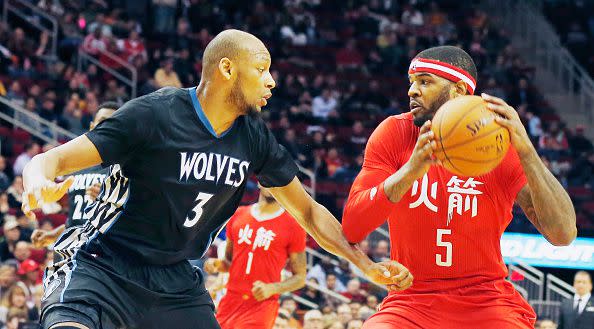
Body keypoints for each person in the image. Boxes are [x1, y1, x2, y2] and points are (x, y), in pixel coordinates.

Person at [21, 29, 411, 329]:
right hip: (102, 265)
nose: (272, 81)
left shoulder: (254, 136)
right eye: (261, 69)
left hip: (176, 279)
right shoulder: (154, 115)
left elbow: (308, 212)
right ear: (227, 69)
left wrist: (364, 264)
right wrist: (38, 179)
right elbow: (52, 160)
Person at [342, 46, 577, 328]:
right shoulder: (394, 133)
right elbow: (353, 227)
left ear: (459, 90)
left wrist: (526, 150)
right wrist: (410, 170)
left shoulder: (498, 142)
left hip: (486, 300)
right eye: (412, 82)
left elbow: (563, 234)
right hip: (411, 300)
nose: (412, 91)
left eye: (425, 81)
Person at [205, 186, 307, 329]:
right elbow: (228, 262)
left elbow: (300, 277)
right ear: (259, 181)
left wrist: (272, 288)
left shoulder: (294, 226)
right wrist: (216, 264)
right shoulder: (238, 214)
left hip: (262, 304)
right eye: (269, 177)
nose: (273, 183)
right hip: (231, 300)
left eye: (278, 180)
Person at [30, 103, 119, 250]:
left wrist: (108, 202)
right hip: (70, 250)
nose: (107, 127)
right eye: (103, 121)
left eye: (113, 123)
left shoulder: (122, 169)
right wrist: (52, 235)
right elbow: (75, 220)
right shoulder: (76, 166)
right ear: (92, 126)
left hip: (101, 253)